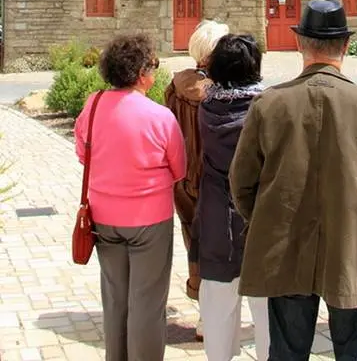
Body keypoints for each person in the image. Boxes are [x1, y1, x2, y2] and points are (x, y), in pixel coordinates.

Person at [230, 0, 357, 361]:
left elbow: (241, 183)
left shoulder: (269, 105)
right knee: (355, 352)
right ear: (345, 45)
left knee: (286, 352)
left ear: (301, 44)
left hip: (286, 245)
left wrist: (269, 220)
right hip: (354, 244)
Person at [74, 33, 186, 361]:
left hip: (104, 217)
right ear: (140, 74)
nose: (154, 71)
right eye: (152, 65)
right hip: (149, 221)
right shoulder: (160, 116)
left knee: (115, 300)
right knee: (147, 303)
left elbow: (83, 154)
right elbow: (179, 168)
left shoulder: (92, 107)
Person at [194, 33, 269, 361]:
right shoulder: (269, 110)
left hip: (216, 221)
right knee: (268, 316)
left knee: (218, 312)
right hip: (261, 220)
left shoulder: (206, 108)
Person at [164, 19, 229, 337]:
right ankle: (221, 315)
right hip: (217, 178)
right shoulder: (226, 91)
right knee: (225, 245)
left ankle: (206, 310)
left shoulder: (176, 85)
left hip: (185, 179)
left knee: (195, 243)